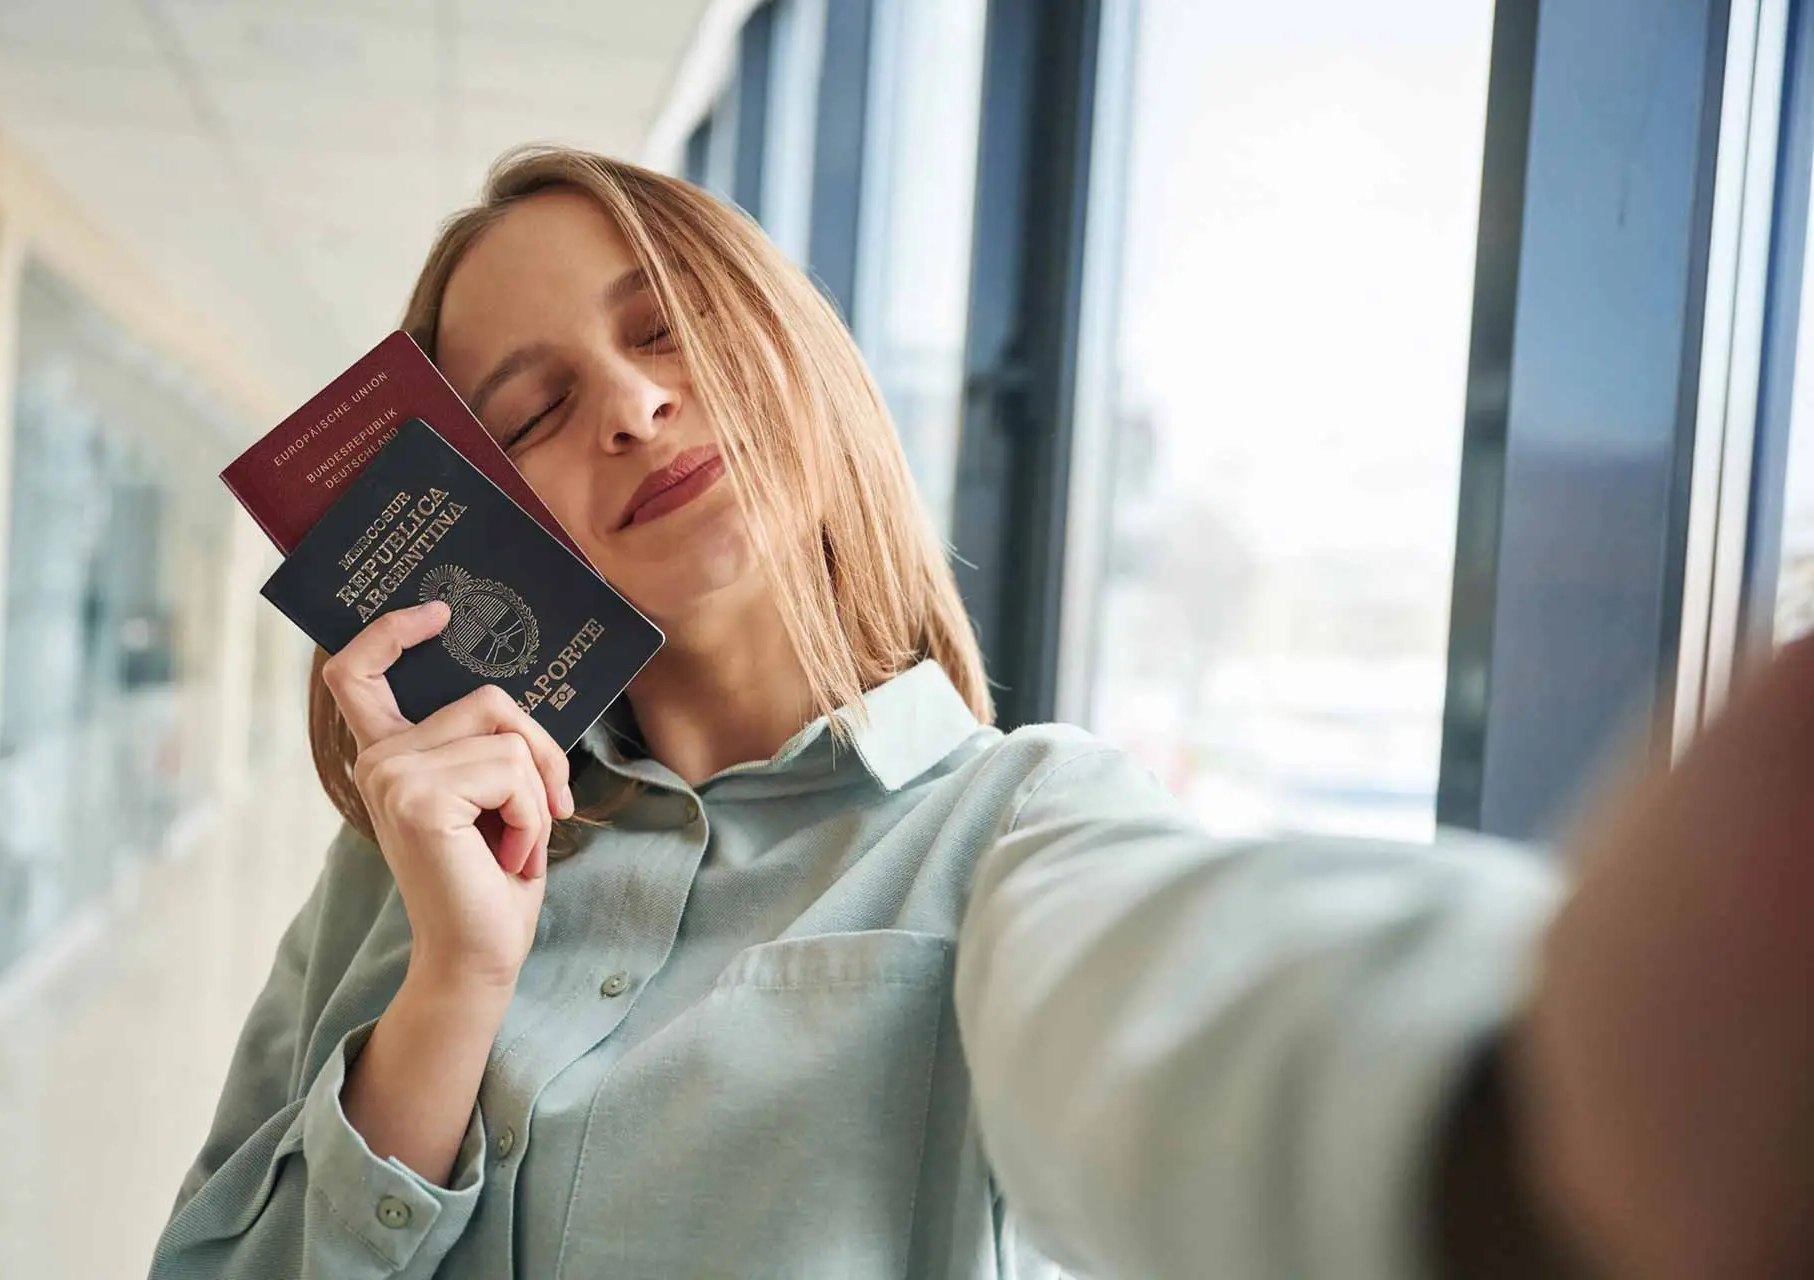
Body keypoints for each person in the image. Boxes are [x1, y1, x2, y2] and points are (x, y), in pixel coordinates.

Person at [149, 147, 1814, 1280]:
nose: (640, 406)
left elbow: (1182, 1006)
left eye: (672, 334)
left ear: (789, 354)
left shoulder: (1016, 831)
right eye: (537, 414)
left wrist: (1537, 1100)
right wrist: (451, 991)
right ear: (492, 518)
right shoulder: (400, 873)